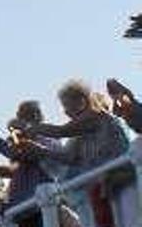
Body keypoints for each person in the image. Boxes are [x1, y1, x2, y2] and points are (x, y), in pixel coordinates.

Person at [27, 80, 130, 227]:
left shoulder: (95, 115)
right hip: (102, 184)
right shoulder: (80, 132)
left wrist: (31, 128)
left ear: (82, 100)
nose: (65, 111)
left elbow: (61, 132)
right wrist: (40, 150)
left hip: (121, 178)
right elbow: (69, 158)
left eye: (67, 105)